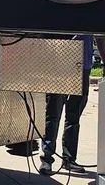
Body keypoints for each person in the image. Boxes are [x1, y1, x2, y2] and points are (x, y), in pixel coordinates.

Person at [39, 34, 94, 175]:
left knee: (74, 116)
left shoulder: (92, 14)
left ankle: (69, 159)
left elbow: (100, 37)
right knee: (53, 113)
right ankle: (46, 159)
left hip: (83, 66)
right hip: (59, 64)